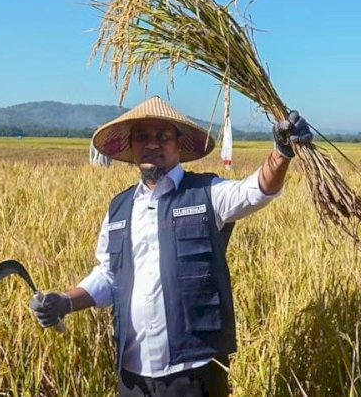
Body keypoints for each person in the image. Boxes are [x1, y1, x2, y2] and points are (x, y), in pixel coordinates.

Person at [29, 96, 312, 396]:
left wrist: (282, 152)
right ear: (132, 147)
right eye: (142, 137)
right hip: (133, 376)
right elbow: (108, 276)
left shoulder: (207, 194)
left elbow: (256, 191)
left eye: (162, 136)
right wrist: (65, 301)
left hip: (194, 372)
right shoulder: (119, 208)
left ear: (179, 144)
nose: (152, 144)